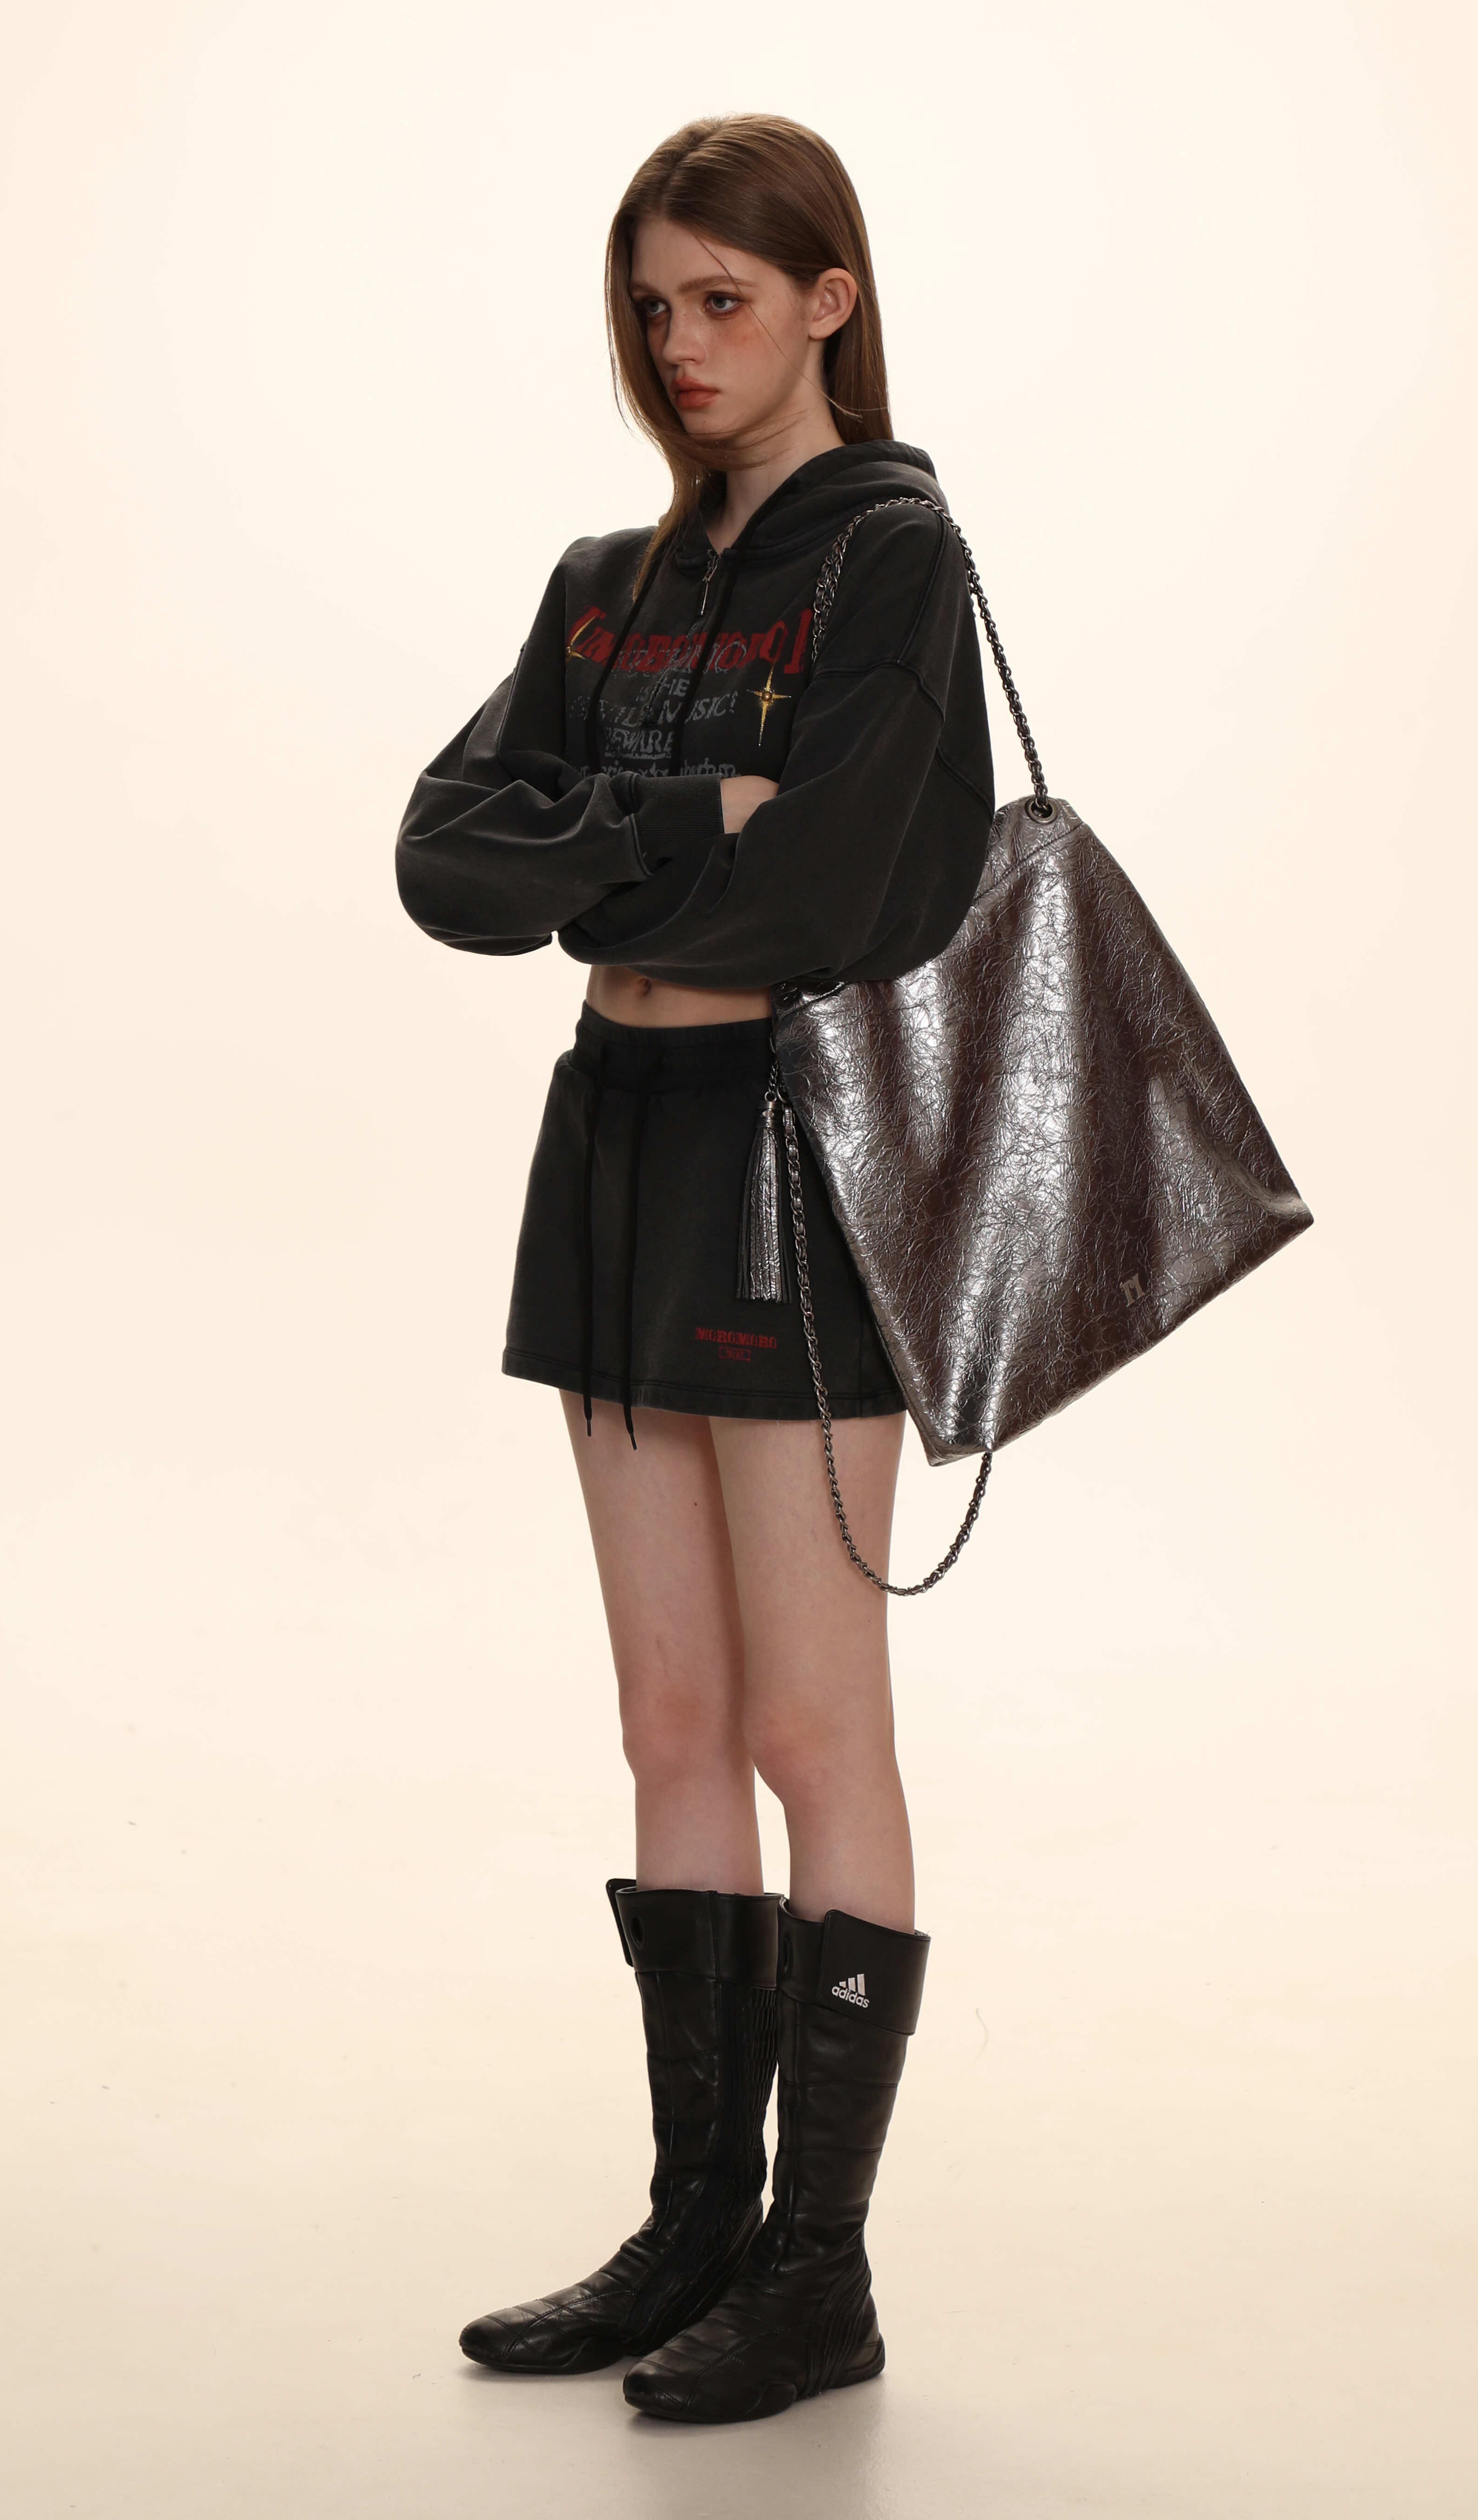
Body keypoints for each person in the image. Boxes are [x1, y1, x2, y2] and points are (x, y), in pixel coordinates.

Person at [393, 112, 994, 2426]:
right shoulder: (605, 583)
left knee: (807, 1723)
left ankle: (818, 2270)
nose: (680, 344)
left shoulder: (892, 560)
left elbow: (828, 894)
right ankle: (691, 2228)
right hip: (614, 1142)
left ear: (829, 299)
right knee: (666, 1723)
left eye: (724, 300)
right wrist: (676, 816)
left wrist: (613, 859)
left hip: (784, 1154)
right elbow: (443, 857)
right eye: (652, 306)